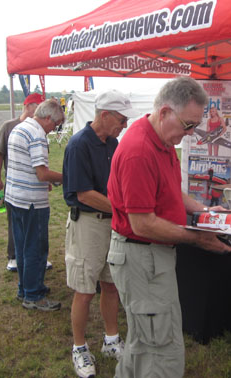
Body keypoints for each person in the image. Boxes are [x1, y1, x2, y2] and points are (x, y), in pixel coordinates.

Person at [106, 77, 231, 377]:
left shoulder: (161, 140)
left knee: (143, 339)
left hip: (149, 255)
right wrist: (197, 238)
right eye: (188, 125)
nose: (189, 134)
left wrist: (203, 211)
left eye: (194, 126)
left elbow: (172, 193)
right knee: (160, 349)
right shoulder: (139, 150)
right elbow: (143, 223)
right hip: (142, 255)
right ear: (164, 113)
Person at [63, 90, 138, 378]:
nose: (125, 125)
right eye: (121, 119)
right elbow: (84, 193)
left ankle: (110, 340)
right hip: (89, 224)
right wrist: (125, 210)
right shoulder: (79, 145)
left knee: (111, 284)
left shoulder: (113, 143)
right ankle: (80, 348)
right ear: (104, 115)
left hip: (112, 223)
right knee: (84, 290)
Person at [4, 98, 64, 311]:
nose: (53, 129)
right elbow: (42, 173)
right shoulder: (37, 134)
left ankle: (25, 287)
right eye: (55, 125)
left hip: (15, 197)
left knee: (21, 247)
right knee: (36, 248)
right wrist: (67, 176)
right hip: (31, 202)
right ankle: (34, 295)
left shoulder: (21, 127)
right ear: (48, 118)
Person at [0, 93, 52, 272]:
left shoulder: (39, 128)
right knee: (15, 221)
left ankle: (36, 257)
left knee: (35, 224)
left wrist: (46, 179)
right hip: (15, 181)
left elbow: (41, 157)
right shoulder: (9, 126)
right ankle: (14, 256)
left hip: (35, 184)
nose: (41, 111)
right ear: (28, 106)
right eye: (38, 106)